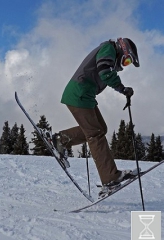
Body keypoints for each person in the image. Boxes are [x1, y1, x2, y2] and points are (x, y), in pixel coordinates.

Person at [53, 37, 140, 196]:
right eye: (127, 61)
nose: (124, 65)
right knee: (95, 134)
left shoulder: (109, 51)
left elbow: (105, 71)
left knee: (100, 128)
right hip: (79, 94)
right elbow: (105, 71)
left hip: (85, 95)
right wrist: (122, 88)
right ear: (123, 50)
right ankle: (110, 179)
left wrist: (122, 89)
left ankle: (62, 139)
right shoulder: (109, 48)